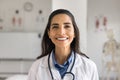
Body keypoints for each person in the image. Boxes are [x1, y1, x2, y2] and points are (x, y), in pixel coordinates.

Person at [27, 9, 99, 80]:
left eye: (67, 26)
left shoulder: (89, 66)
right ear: (49, 33)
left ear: (74, 32)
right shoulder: (36, 67)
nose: (61, 32)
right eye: (55, 27)